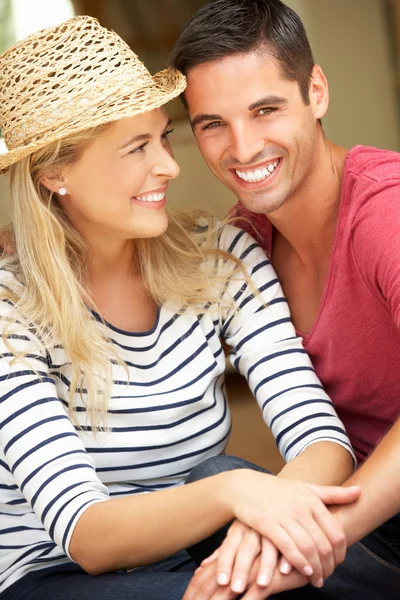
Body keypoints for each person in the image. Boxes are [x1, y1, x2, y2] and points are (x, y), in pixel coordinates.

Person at [0, 15, 360, 600]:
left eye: (162, 136)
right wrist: (236, 493)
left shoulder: (222, 256)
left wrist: (256, 526)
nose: (169, 166)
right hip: (56, 577)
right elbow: (88, 536)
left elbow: (320, 440)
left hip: (204, 548)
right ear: (55, 173)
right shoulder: (10, 311)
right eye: (136, 148)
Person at [168, 0, 400, 598]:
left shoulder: (384, 211)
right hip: (373, 525)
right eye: (212, 123)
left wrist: (312, 538)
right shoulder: (245, 240)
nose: (242, 148)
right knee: (217, 487)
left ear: (315, 92)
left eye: (265, 110)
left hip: (359, 520)